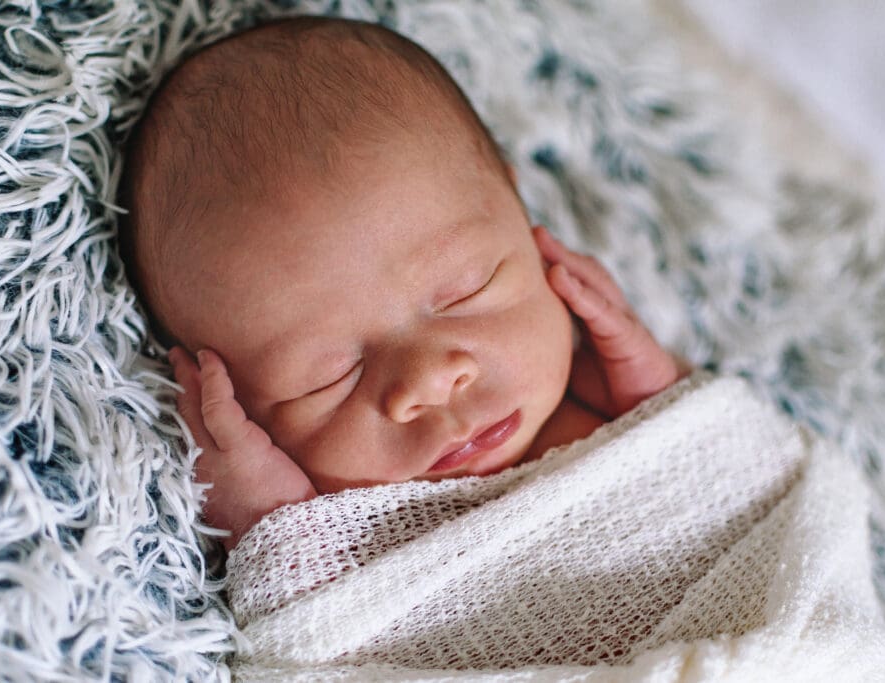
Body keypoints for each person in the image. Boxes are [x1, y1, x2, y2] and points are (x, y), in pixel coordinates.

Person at [118, 16, 686, 552]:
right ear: (241, 413)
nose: (430, 381)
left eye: (468, 290)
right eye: (328, 378)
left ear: (520, 212)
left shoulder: (625, 409)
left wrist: (663, 398)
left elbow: (751, 487)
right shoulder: (363, 541)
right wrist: (268, 528)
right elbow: (330, 644)